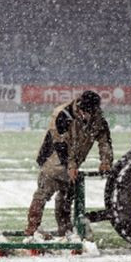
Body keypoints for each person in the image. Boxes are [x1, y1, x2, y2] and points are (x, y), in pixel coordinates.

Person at [25, 90, 113, 238]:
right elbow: (60, 145)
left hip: (74, 161)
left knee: (66, 200)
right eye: (84, 112)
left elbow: (105, 142)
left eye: (90, 113)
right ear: (79, 106)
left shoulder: (98, 119)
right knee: (43, 194)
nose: (87, 116)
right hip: (53, 159)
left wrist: (106, 161)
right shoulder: (62, 115)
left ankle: (65, 231)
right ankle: (31, 229)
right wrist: (70, 166)